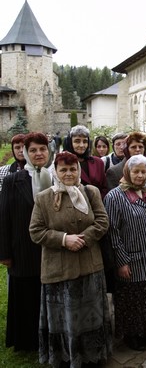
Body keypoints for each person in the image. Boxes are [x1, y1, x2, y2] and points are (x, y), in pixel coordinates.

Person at [29, 151, 112, 367]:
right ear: (55, 171)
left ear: (79, 170)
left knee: (90, 314)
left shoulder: (91, 192)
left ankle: (93, 355)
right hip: (59, 269)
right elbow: (36, 231)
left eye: (73, 169)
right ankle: (67, 357)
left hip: (90, 265)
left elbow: (102, 221)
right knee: (65, 317)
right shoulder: (44, 198)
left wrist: (83, 238)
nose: (68, 174)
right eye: (63, 169)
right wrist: (64, 239)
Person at [104, 155, 146, 351]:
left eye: (143, 172)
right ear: (127, 172)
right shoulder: (115, 196)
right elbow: (112, 232)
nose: (140, 175)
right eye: (136, 171)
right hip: (132, 260)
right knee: (132, 299)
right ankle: (132, 335)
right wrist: (121, 262)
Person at [0, 132, 53, 351]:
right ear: (25, 152)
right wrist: (5, 253)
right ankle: (27, 340)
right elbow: (4, 217)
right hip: (22, 248)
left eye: (42, 149)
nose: (38, 153)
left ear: (48, 151)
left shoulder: (56, 176)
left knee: (48, 294)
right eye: (33, 150)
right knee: (26, 295)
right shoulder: (12, 180)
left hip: (51, 249)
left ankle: (49, 335)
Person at [63, 125, 108, 198]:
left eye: (85, 141)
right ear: (70, 143)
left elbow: (104, 188)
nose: (81, 145)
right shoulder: (63, 164)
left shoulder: (98, 162)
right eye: (77, 141)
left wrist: (97, 201)